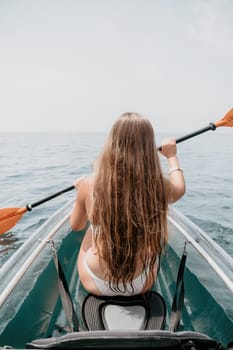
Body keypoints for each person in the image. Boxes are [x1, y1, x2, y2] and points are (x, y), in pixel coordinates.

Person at [70, 112, 185, 296]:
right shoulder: (157, 186)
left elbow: (76, 226)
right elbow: (179, 189)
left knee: (92, 229)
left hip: (95, 283)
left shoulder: (89, 185)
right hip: (140, 284)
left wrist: (81, 194)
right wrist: (171, 156)